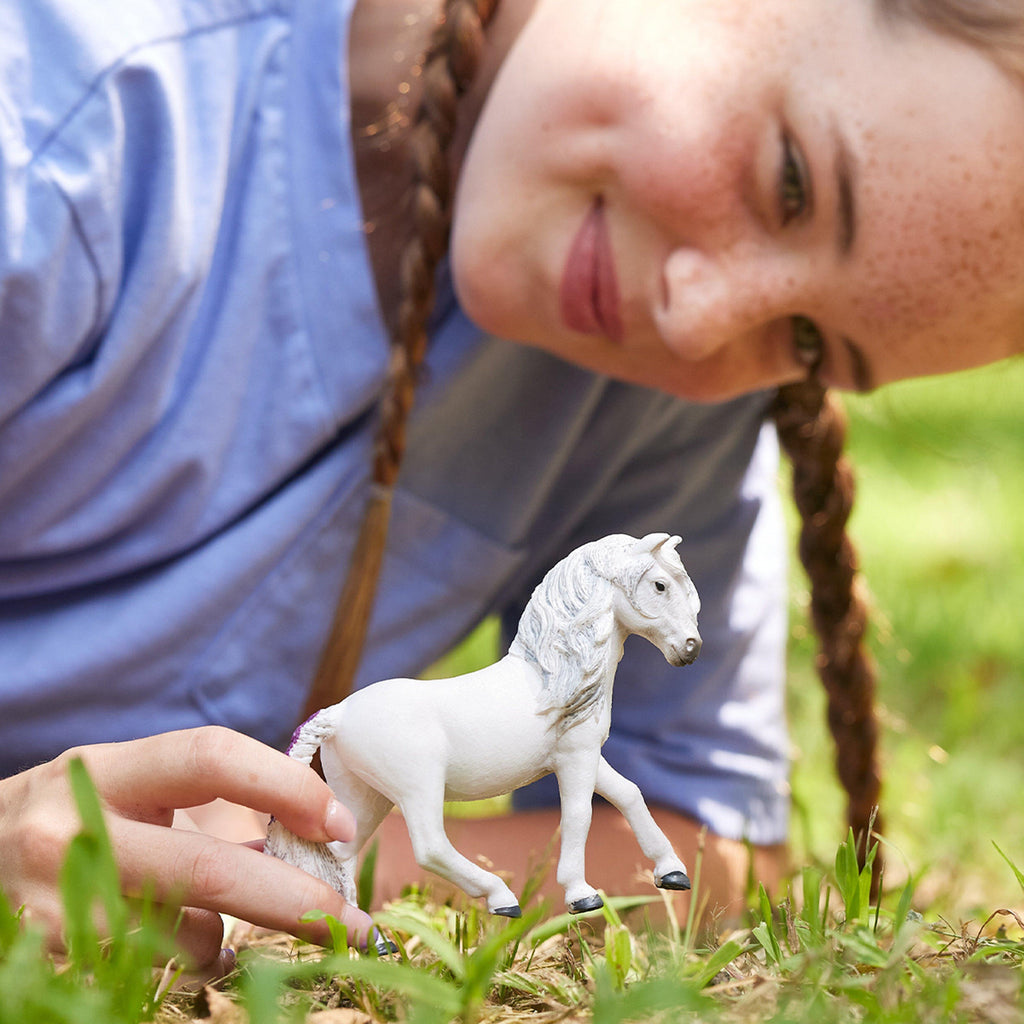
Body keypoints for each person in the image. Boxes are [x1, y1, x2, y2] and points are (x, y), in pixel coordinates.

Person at [1, 0, 1022, 971]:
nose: (696, 316)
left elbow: (712, 844)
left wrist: (313, 857)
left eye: (804, 341)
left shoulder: (652, 395)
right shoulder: (65, 115)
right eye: (789, 178)